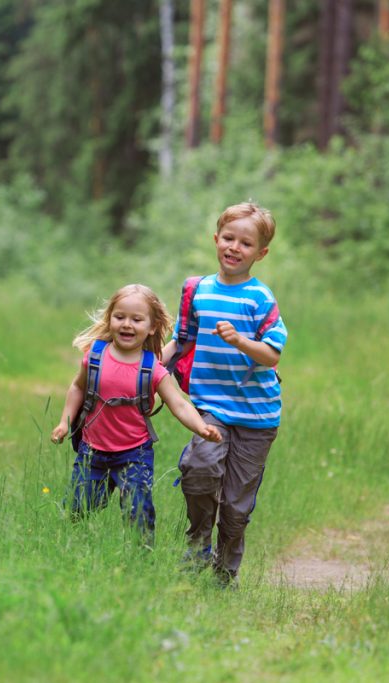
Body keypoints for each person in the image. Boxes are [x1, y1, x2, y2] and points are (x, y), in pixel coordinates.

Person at [161, 202, 288, 586]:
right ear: (216, 240)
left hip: (256, 416)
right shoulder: (197, 290)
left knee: (236, 504)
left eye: (245, 243)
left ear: (260, 253)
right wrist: (148, 370)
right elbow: (181, 340)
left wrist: (241, 341)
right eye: (228, 238)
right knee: (199, 468)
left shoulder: (260, 299)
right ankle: (198, 543)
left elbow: (272, 354)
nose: (234, 247)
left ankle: (224, 572)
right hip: (210, 407)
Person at [51, 284, 222, 540]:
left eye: (136, 319)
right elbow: (77, 387)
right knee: (79, 507)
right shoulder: (95, 357)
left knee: (138, 511)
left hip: (134, 453)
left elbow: (180, 404)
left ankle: (141, 553)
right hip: (92, 449)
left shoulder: (152, 368)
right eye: (119, 317)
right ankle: (69, 545)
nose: (127, 324)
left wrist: (201, 427)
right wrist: (65, 423)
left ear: (152, 327)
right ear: (110, 320)